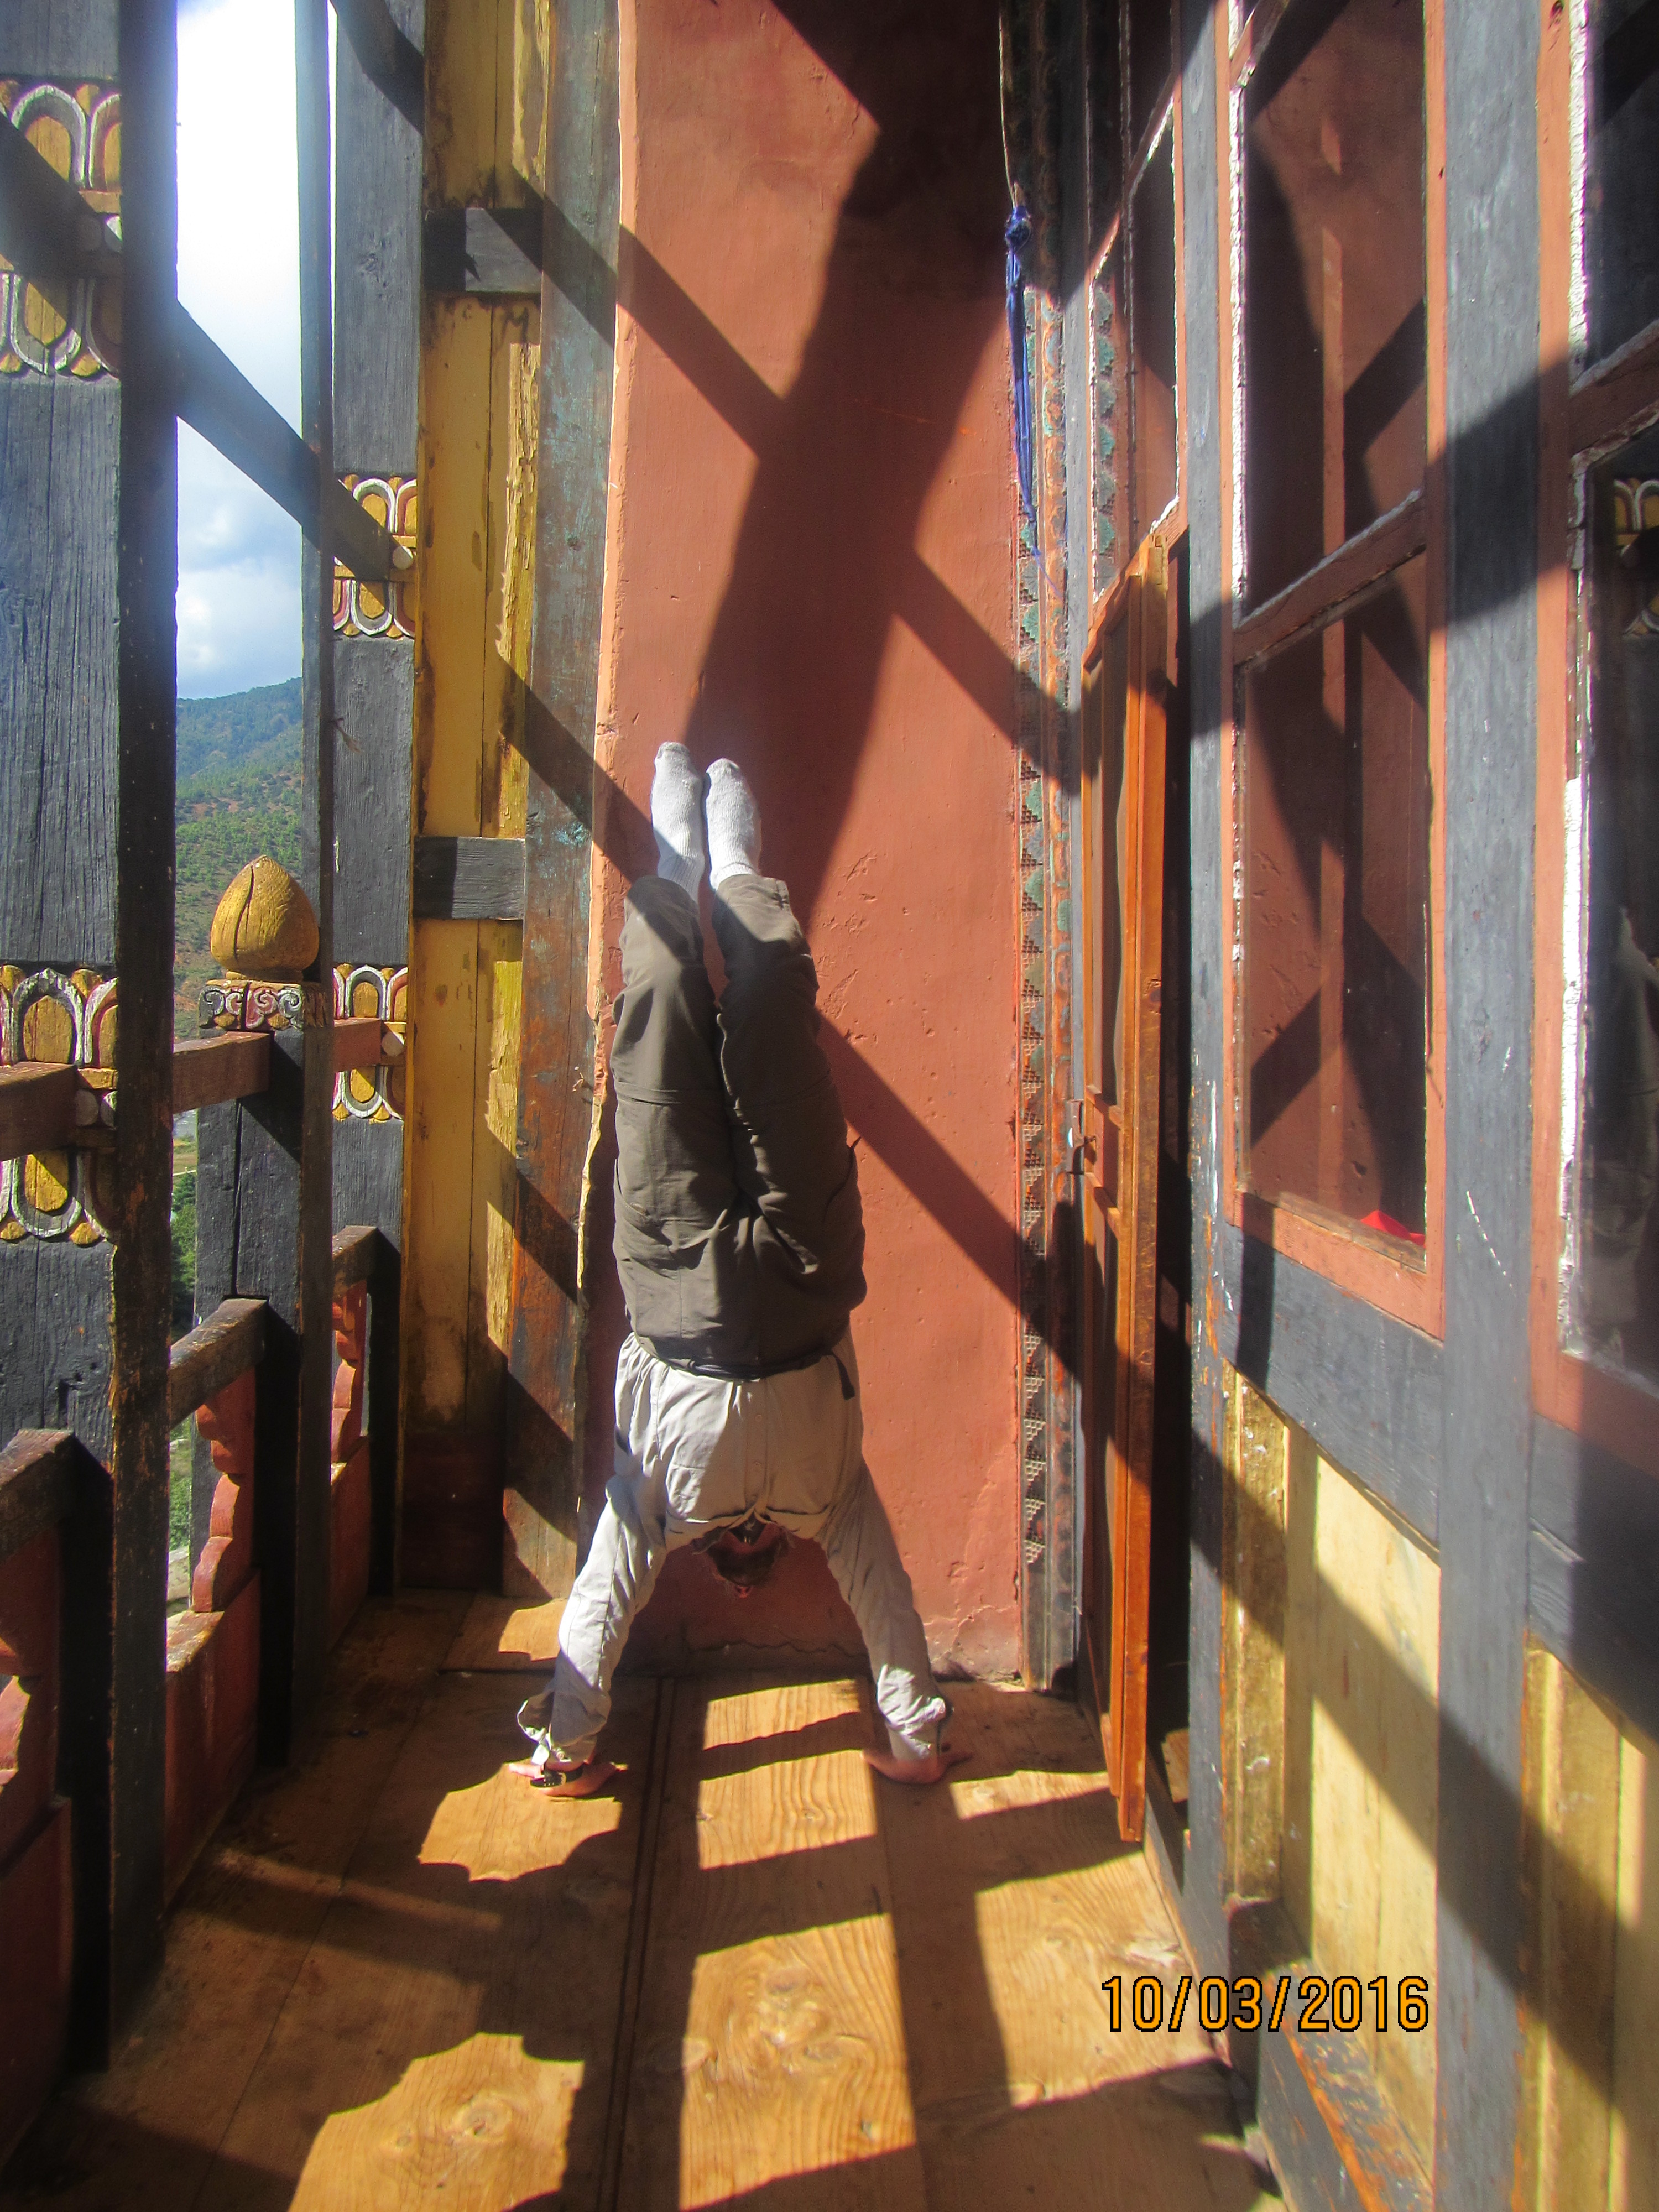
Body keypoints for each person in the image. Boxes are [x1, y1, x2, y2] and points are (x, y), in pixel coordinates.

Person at [512, 744, 962, 1795]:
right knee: (670, 1023)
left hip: (774, 1285)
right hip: (703, 1289)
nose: (754, 1550)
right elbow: (608, 1592)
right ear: (741, 1551)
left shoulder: (810, 1505)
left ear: (739, 1550)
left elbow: (880, 1593)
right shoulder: (729, 1509)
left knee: (761, 1013)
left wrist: (919, 1739)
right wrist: (565, 1748)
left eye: (747, 1555)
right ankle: (700, 866)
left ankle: (705, 866)